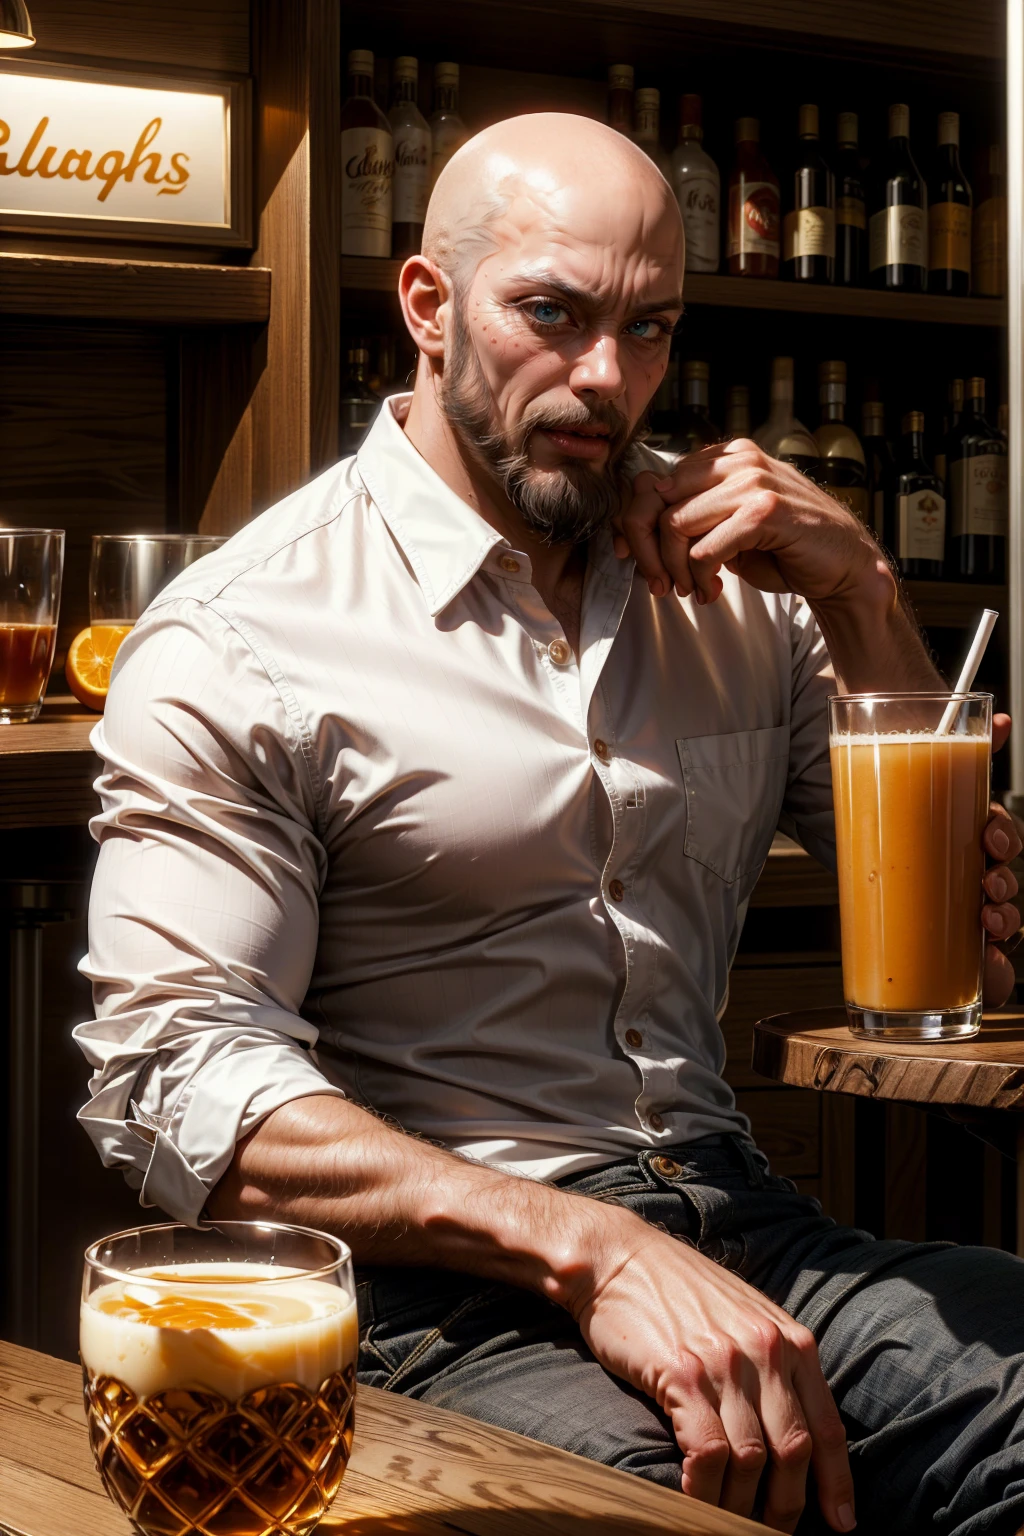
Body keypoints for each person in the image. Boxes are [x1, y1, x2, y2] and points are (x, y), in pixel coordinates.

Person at [76, 113, 1024, 1536]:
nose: (608, 380)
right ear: (426, 306)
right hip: (430, 1307)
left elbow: (960, 967)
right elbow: (181, 1082)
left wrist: (866, 594)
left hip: (742, 1231)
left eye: (650, 329)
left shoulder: (747, 597)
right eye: (553, 315)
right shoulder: (245, 635)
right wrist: (591, 1252)